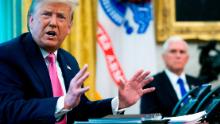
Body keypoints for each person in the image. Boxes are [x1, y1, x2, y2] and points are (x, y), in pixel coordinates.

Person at [0, 0, 155, 124]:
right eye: (46, 14)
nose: (53, 23)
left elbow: (80, 109)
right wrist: (63, 103)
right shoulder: (8, 55)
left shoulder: (68, 60)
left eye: (61, 17)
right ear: (31, 20)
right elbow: (9, 110)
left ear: (69, 27)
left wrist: (119, 102)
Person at [140, 36, 200, 117]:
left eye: (182, 52)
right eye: (173, 51)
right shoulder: (151, 84)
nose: (178, 56)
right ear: (164, 57)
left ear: (187, 58)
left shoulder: (198, 83)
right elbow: (149, 118)